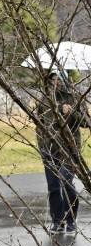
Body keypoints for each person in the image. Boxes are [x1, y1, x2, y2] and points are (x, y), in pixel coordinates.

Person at [36, 70, 88, 236]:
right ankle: (58, 220)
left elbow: (87, 122)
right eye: (53, 79)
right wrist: (42, 145)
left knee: (66, 181)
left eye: (59, 79)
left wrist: (73, 113)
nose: (56, 82)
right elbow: (39, 122)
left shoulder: (74, 96)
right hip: (49, 148)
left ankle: (71, 219)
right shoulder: (45, 98)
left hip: (69, 147)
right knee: (53, 187)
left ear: (66, 80)